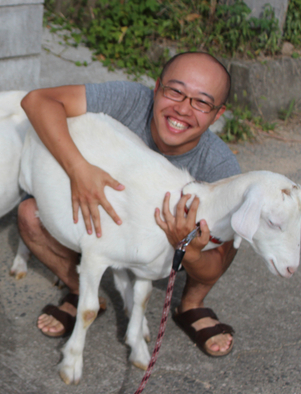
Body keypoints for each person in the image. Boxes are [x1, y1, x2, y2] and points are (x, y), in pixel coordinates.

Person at [18, 52, 240, 357]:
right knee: (29, 215)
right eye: (175, 91)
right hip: (95, 219)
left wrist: (191, 249)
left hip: (164, 244)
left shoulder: (219, 167)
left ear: (218, 114)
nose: (183, 109)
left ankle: (191, 305)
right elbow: (37, 101)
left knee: (233, 230)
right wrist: (78, 169)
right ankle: (79, 287)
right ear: (157, 87)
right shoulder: (132, 100)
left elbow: (213, 266)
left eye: (201, 102)